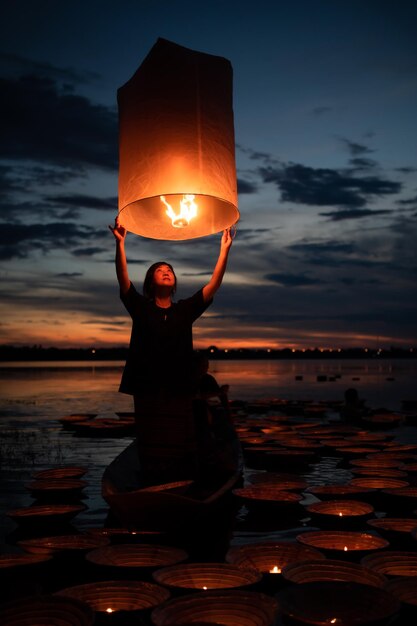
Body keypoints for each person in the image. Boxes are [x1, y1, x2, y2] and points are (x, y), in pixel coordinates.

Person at [109, 215, 234, 485]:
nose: (167, 271)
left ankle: (181, 482)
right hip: (147, 386)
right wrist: (120, 244)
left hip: (179, 386)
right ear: (151, 282)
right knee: (152, 439)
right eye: (160, 269)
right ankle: (152, 483)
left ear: (174, 282)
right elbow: (123, 280)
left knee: (179, 438)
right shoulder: (141, 308)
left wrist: (224, 250)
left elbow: (213, 287)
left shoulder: (184, 311)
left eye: (170, 269)